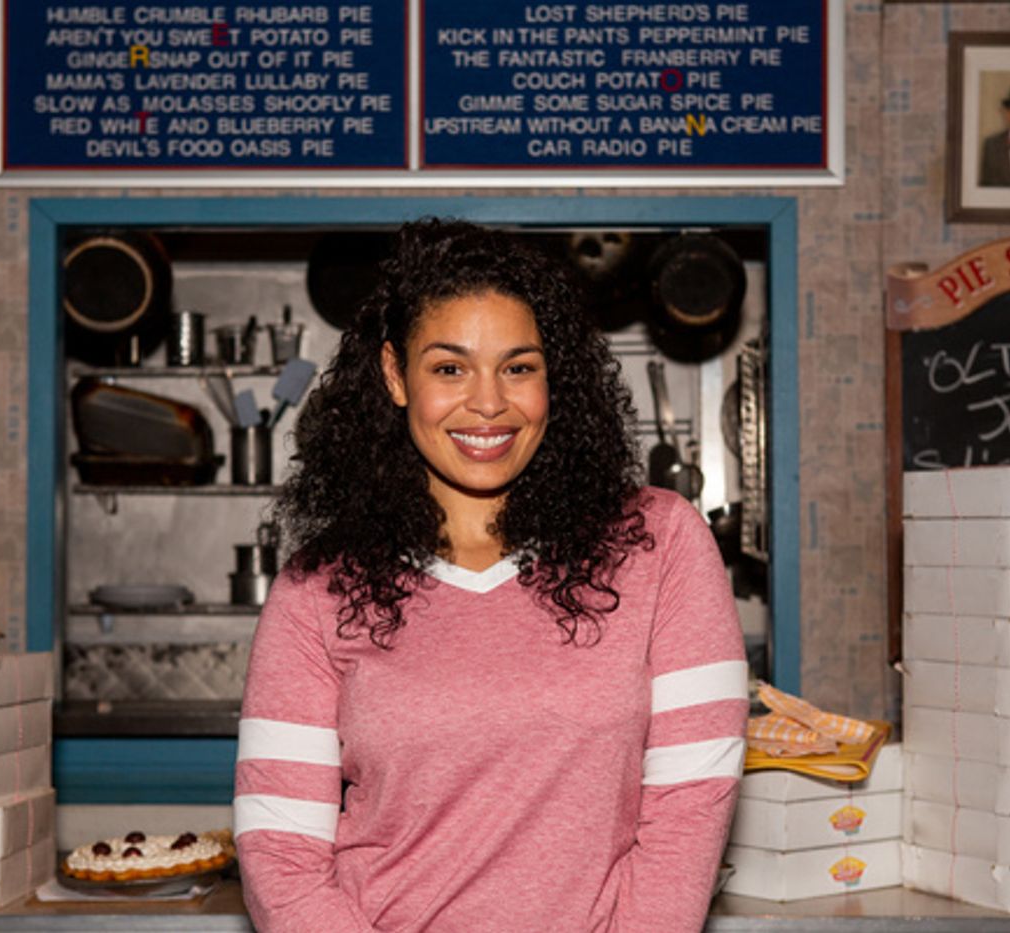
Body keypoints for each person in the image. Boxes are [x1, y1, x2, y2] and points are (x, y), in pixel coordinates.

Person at [233, 219, 748, 932]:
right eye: (450, 367)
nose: (488, 402)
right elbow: (280, 850)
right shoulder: (316, 588)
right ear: (395, 374)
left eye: (518, 366)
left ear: (552, 376)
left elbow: (690, 805)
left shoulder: (660, 543)